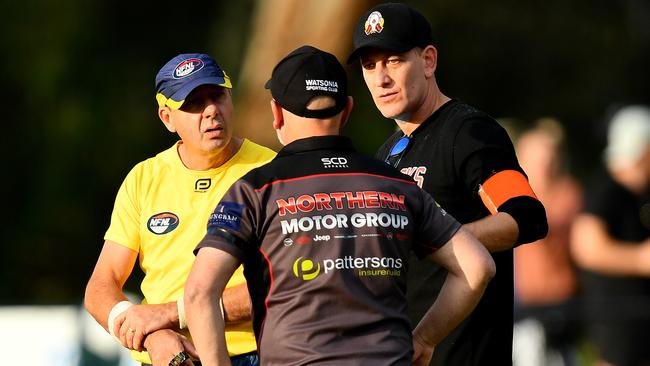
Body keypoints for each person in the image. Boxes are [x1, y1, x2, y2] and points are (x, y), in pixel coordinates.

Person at [183, 45, 495, 366]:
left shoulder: (255, 190)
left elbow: (198, 294)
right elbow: (477, 266)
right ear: (346, 110)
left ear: (276, 113)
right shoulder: (399, 184)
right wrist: (425, 338)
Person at [347, 3, 548, 365]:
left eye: (393, 60)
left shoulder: (469, 133)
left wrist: (436, 239)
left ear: (428, 61)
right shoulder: (387, 151)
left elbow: (527, 216)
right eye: (369, 65)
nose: (381, 79)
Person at [84, 53, 276, 366]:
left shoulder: (271, 170)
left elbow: (288, 285)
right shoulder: (144, 178)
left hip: (254, 353)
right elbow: (101, 287)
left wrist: (169, 315)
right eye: (194, 104)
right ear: (167, 118)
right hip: (167, 356)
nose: (211, 111)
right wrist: (150, 336)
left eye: (217, 96)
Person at [570, 105, 650, 366]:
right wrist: (640, 259)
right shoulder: (606, 190)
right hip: (616, 319)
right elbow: (586, 247)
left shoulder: (639, 192)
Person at [512, 119, 582, 366]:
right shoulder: (513, 196)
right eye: (538, 159)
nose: (545, 165)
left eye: (549, 158)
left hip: (563, 302)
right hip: (523, 306)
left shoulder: (569, 194)